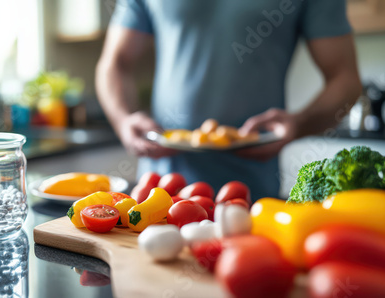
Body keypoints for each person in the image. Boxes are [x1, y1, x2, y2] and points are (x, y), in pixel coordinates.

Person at [96, 0, 361, 200]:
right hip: (157, 193)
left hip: (251, 197)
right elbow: (114, 63)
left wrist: (300, 123)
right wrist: (123, 120)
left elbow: (346, 80)